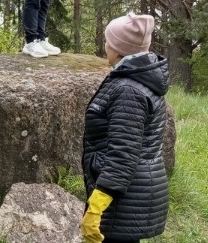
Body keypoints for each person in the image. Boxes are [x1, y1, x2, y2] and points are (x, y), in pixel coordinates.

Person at [80, 13, 169, 243]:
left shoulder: (128, 90)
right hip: (131, 192)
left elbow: (124, 154)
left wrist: (97, 206)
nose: (105, 46)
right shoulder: (137, 78)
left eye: (108, 42)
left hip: (122, 199)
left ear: (119, 50)